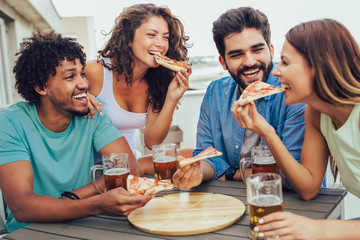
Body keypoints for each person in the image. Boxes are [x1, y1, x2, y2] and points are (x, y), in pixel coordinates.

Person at [0, 31, 153, 233]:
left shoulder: (92, 114)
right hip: (30, 232)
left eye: (82, 74)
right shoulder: (10, 123)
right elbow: (22, 207)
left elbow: (130, 171)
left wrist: (74, 197)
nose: (84, 84)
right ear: (41, 86)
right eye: (70, 77)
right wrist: (97, 204)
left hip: (82, 226)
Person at [232, 19, 360, 239]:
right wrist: (267, 132)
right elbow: (308, 187)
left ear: (318, 65)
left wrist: (316, 228)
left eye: (285, 62)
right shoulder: (315, 113)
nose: (277, 72)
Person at [173, 7, 305, 189]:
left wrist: (232, 174)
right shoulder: (215, 92)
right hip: (233, 199)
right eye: (237, 55)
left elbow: (292, 177)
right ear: (223, 62)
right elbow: (208, 157)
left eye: (257, 50)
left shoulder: (294, 94)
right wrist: (197, 171)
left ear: (271, 50)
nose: (250, 62)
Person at [84, 3, 193, 173]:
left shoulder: (158, 82)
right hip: (90, 166)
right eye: (151, 35)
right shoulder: (94, 72)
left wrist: (172, 98)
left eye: (165, 37)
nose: (160, 44)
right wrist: (77, 98)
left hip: (129, 165)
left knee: (191, 154)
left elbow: (152, 142)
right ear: (128, 39)